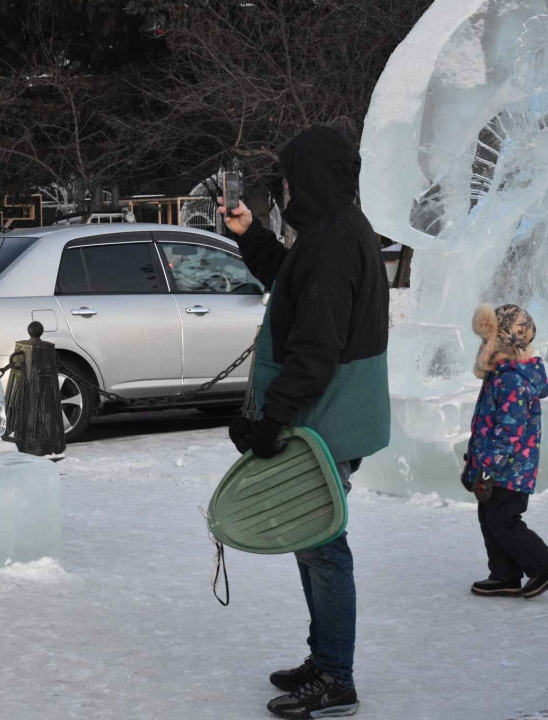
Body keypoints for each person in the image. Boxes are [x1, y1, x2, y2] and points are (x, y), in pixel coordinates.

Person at [219, 125, 390, 720]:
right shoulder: (333, 232)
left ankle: (336, 678)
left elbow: (316, 346)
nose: (287, 188)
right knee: (309, 538)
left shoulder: (337, 239)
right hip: (328, 415)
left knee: (321, 545)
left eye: (292, 178)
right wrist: (253, 237)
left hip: (327, 417)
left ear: (313, 177)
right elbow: (296, 287)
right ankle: (324, 661)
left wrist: (273, 419)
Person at [462, 303, 548, 600]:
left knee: (503, 521)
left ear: (504, 343)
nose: (482, 346)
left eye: (487, 341)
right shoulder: (500, 374)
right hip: (497, 467)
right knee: (490, 518)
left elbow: (508, 433)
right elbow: (487, 425)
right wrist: (473, 464)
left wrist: (487, 468)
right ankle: (505, 575)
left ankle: (544, 566)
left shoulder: (512, 380)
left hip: (509, 470)